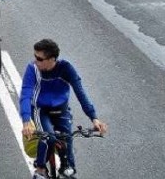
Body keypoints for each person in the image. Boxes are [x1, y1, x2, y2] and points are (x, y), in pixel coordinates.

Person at [20, 39, 108, 179]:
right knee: (47, 136)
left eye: (39, 58)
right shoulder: (32, 69)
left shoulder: (66, 68)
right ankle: (41, 169)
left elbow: (81, 93)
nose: (35, 60)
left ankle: (67, 167)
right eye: (35, 56)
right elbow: (25, 94)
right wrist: (26, 121)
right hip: (40, 110)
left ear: (52, 59)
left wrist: (94, 118)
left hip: (61, 109)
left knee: (67, 138)